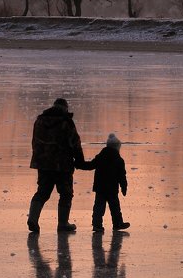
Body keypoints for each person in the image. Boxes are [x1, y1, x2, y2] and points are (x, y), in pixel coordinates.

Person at [27, 97, 86, 233]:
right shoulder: (66, 122)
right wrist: (80, 161)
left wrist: (39, 159)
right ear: (65, 108)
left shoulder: (39, 121)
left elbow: (34, 142)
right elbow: (75, 143)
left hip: (43, 164)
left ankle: (33, 219)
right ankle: (63, 224)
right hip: (62, 165)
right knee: (65, 194)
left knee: (42, 192)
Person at [81, 132, 130, 232]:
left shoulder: (101, 156)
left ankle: (97, 225)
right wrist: (124, 187)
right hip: (112, 188)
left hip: (100, 187)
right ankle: (117, 223)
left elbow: (90, 165)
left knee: (99, 207)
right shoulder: (119, 160)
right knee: (115, 207)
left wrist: (79, 164)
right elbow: (122, 176)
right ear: (117, 147)